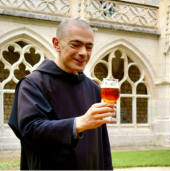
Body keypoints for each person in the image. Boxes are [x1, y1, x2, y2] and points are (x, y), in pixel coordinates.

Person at [9, 18, 116, 171]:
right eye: (75, 45)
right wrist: (78, 123)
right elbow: (30, 130)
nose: (83, 53)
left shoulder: (93, 88)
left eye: (89, 47)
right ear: (57, 44)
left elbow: (103, 143)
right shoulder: (33, 84)